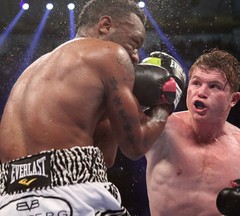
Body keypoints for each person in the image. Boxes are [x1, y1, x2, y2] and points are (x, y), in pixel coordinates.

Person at [0, 0, 178, 215]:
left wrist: (130, 102)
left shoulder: (34, 69)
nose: (135, 55)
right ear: (105, 25)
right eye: (135, 42)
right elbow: (135, 145)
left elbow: (105, 158)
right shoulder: (110, 54)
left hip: (9, 199)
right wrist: (166, 104)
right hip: (71, 193)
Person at [145, 48, 240, 215]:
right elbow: (119, 138)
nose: (201, 92)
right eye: (196, 83)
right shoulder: (161, 127)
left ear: (233, 99)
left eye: (214, 86)